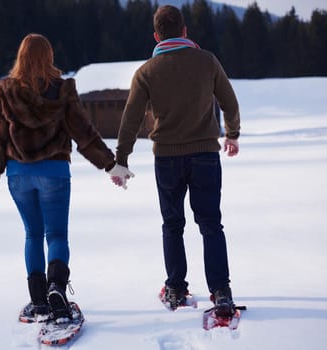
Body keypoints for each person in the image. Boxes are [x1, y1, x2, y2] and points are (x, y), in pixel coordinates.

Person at [0, 33, 128, 323]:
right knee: (57, 235)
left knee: (33, 235)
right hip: (55, 172)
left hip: (19, 174)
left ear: (20, 57)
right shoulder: (62, 90)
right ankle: (56, 290)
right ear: (49, 57)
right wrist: (111, 166)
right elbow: (83, 133)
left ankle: (38, 300)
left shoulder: (5, 90)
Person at [112, 5, 241, 316]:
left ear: (157, 36)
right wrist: (232, 134)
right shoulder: (207, 61)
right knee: (211, 224)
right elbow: (229, 101)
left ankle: (175, 287)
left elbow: (130, 119)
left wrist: (121, 159)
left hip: (167, 158)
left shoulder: (146, 72)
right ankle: (221, 290)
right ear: (185, 31)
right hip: (206, 156)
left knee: (172, 225)